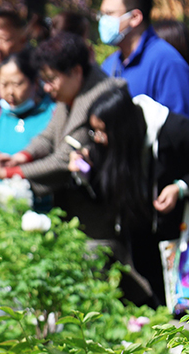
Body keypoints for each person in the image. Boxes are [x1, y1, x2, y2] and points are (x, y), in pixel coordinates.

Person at [0, 32, 123, 239]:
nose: (47, 88)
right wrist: (18, 157)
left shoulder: (102, 99)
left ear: (75, 71)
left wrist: (6, 173)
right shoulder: (70, 89)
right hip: (74, 206)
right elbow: (48, 136)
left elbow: (63, 159)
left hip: (101, 212)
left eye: (50, 80)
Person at [72, 88, 189, 307]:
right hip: (142, 234)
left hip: (178, 235)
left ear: (121, 129)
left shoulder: (174, 130)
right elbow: (103, 191)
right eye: (94, 132)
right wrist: (83, 173)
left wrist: (179, 188)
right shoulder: (112, 143)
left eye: (102, 132)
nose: (98, 139)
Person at [99, 0, 189, 116]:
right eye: (101, 14)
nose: (103, 21)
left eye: (109, 14)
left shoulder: (167, 63)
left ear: (135, 17)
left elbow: (180, 128)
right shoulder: (110, 64)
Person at [0, 49, 56, 163]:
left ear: (35, 82)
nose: (10, 92)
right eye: (4, 84)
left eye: (16, 84)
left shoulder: (53, 114)